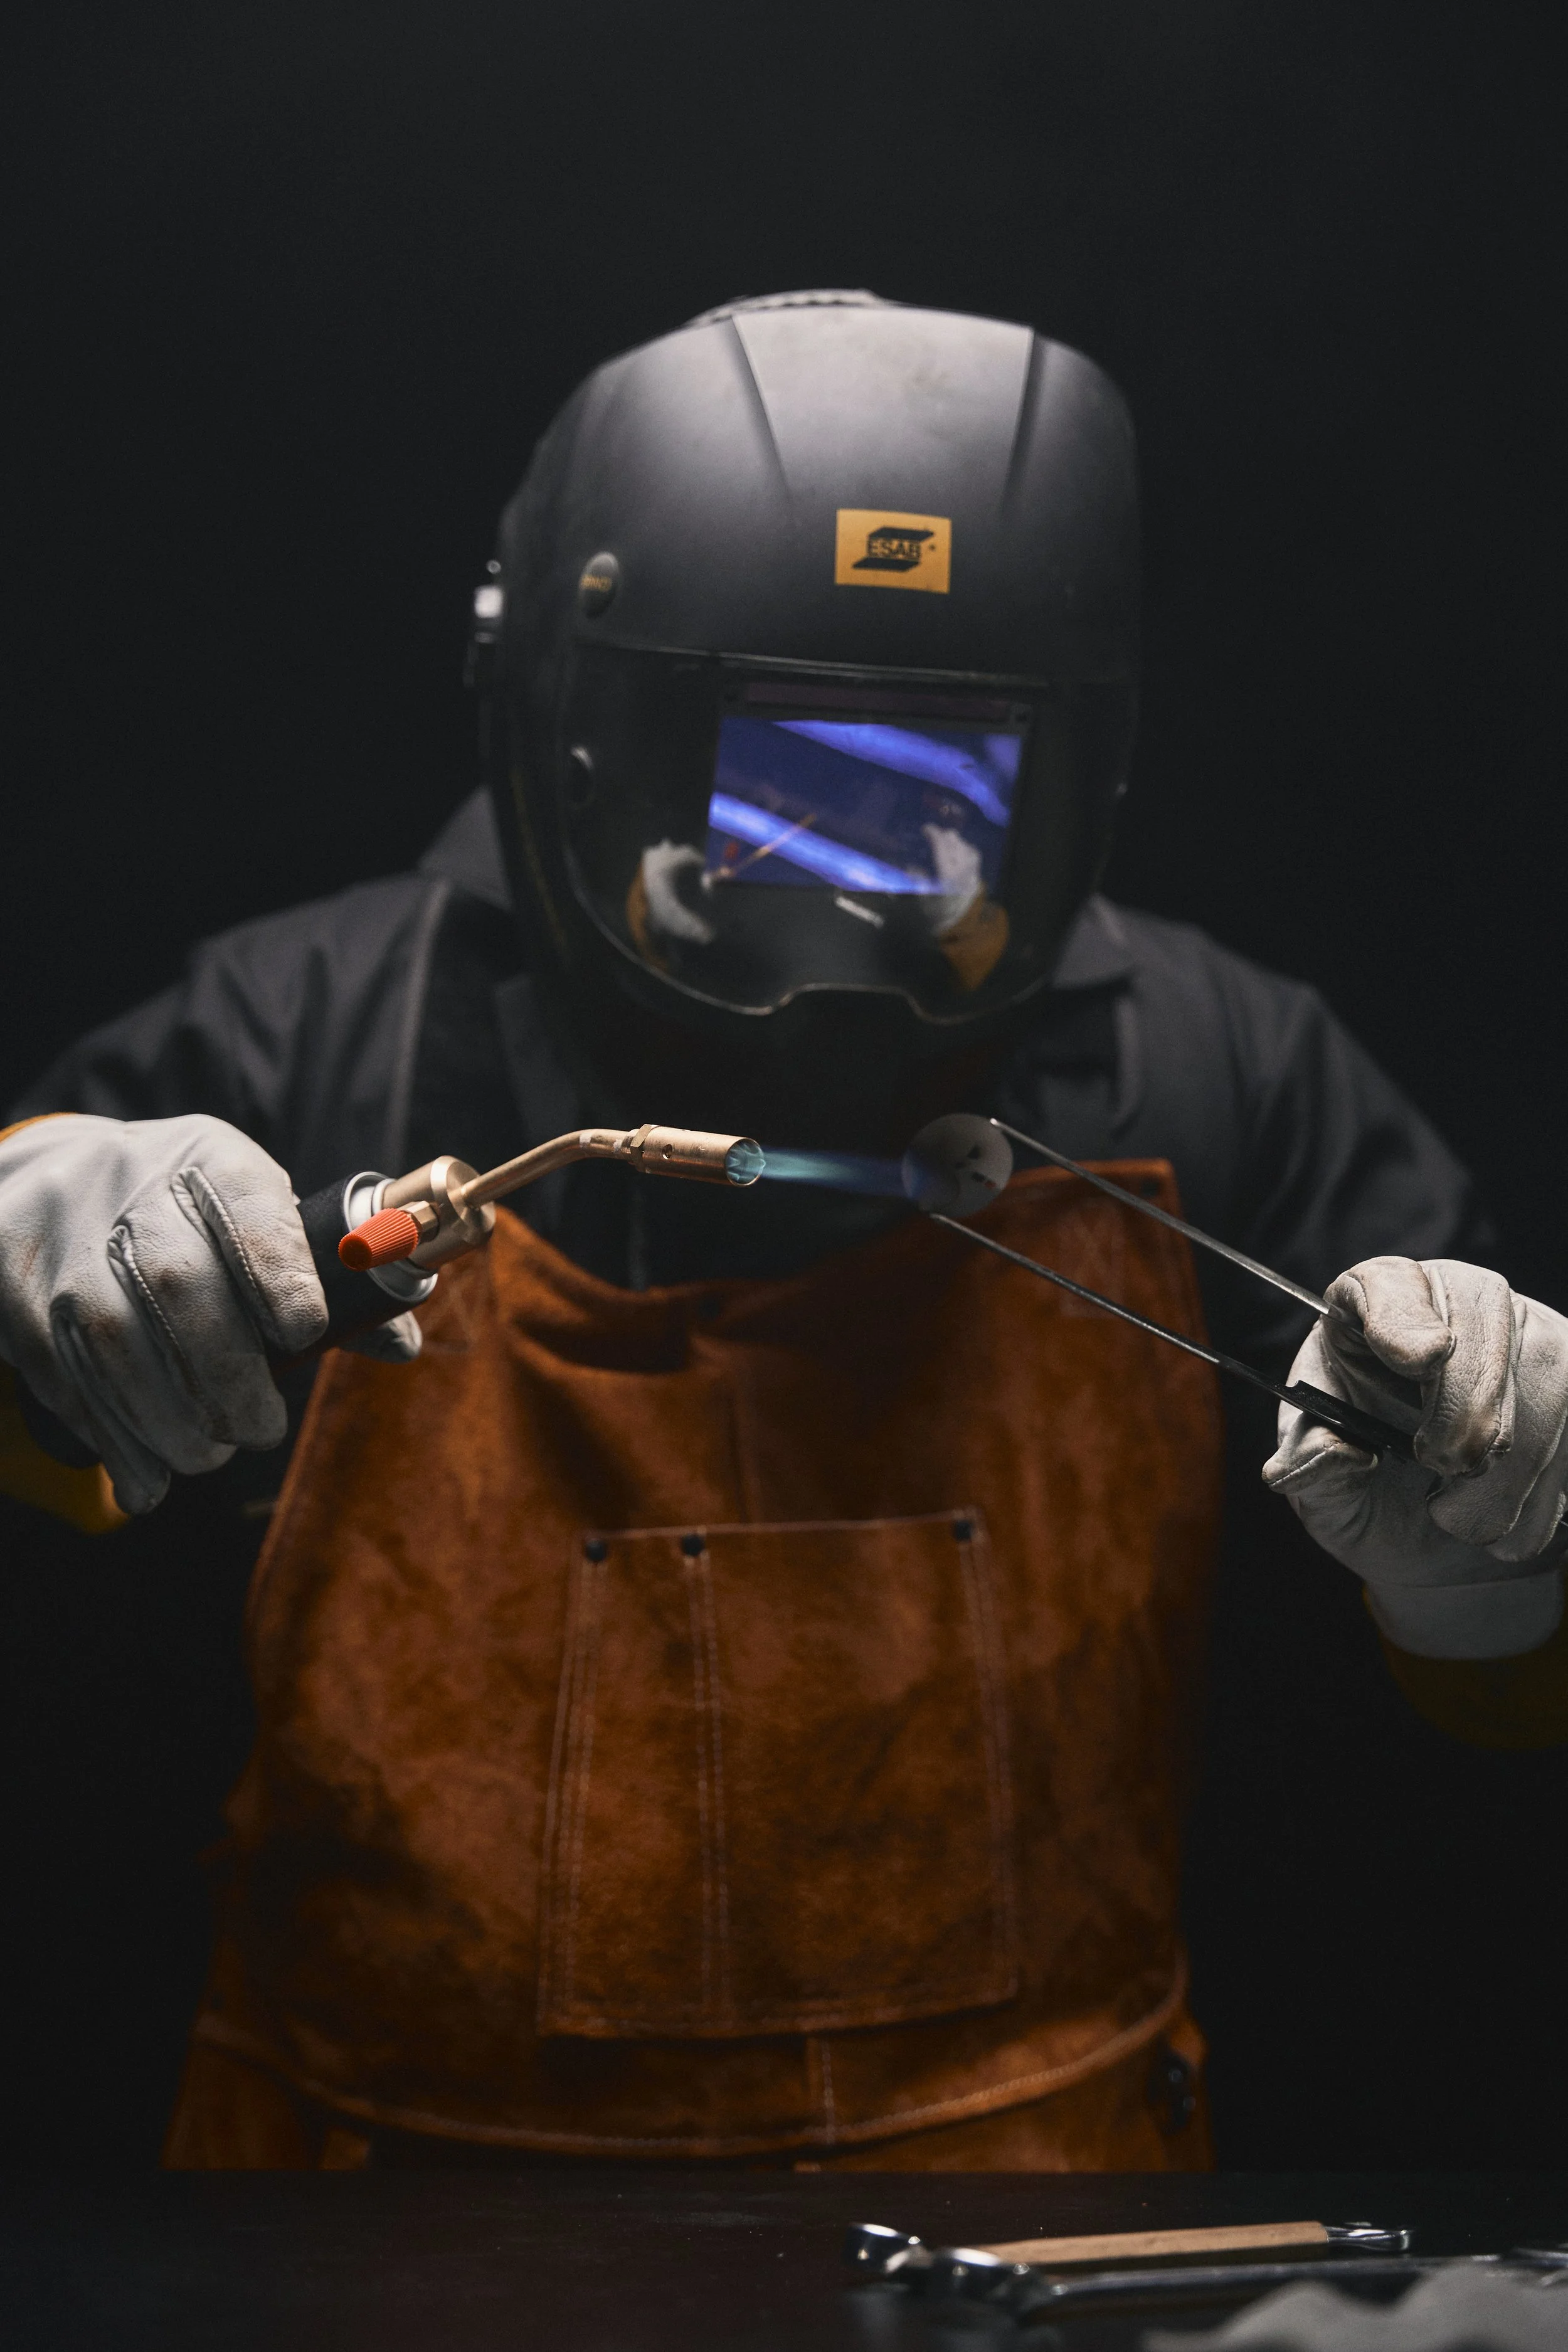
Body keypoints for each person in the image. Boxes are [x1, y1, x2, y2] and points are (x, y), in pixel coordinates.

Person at [0, 290, 1537, 2171]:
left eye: (944, 801)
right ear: (573, 737)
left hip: (1041, 2219)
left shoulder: (1216, 1071)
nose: (850, 922)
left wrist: (1495, 1551)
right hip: (372, 2226)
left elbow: (1509, 1714)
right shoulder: (300, 1040)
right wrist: (30, 1229)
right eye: (772, 794)